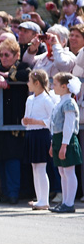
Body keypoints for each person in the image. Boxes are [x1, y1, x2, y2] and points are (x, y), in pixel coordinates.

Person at [0, 38, 31, 204]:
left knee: (13, 158)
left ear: (16, 55)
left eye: (7, 55)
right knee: (0, 158)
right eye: (1, 55)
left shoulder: (22, 67)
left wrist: (7, 76)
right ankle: (5, 192)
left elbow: (27, 75)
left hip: (15, 120)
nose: (3, 58)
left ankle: (13, 193)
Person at [22, 69, 55, 211]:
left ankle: (44, 200)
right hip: (31, 134)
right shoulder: (30, 99)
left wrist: (37, 121)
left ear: (37, 83)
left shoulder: (47, 99)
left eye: (30, 81)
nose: (27, 83)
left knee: (41, 168)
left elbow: (52, 120)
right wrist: (25, 121)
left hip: (42, 134)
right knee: (34, 167)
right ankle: (39, 198)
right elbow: (26, 118)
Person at [48, 72, 81, 213]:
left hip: (66, 139)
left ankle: (69, 203)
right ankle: (65, 202)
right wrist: (52, 143)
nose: (52, 87)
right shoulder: (59, 102)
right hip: (58, 139)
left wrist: (64, 145)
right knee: (62, 171)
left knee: (68, 171)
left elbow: (69, 126)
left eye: (55, 84)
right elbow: (54, 125)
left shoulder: (69, 103)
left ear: (64, 86)